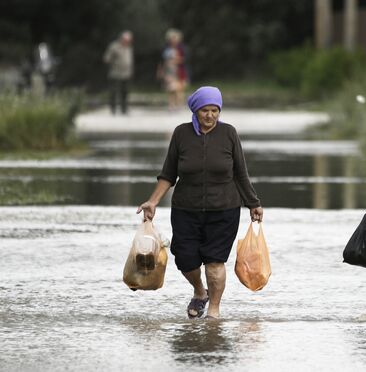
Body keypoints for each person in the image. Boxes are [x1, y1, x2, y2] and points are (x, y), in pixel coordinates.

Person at [137, 86, 263, 319]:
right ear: (195, 110)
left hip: (224, 209)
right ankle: (199, 291)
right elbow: (168, 174)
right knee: (185, 258)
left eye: (215, 110)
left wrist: (253, 203)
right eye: (205, 110)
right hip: (186, 209)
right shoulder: (181, 134)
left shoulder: (229, 134)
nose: (210, 115)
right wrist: (153, 202)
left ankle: (214, 310)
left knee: (215, 262)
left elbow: (240, 174)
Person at [103, 31, 133, 115]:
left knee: (125, 92)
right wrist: (113, 61)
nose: (128, 42)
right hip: (115, 73)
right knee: (113, 92)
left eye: (129, 40)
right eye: (126, 40)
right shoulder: (114, 46)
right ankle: (113, 109)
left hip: (126, 73)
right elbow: (106, 59)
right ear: (121, 39)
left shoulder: (129, 47)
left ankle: (124, 109)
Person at [157, 29, 187, 110]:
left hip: (179, 72)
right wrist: (160, 71)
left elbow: (184, 59)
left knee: (178, 90)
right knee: (170, 89)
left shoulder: (181, 48)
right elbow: (162, 61)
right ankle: (171, 105)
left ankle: (179, 105)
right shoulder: (165, 49)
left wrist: (173, 61)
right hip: (169, 72)